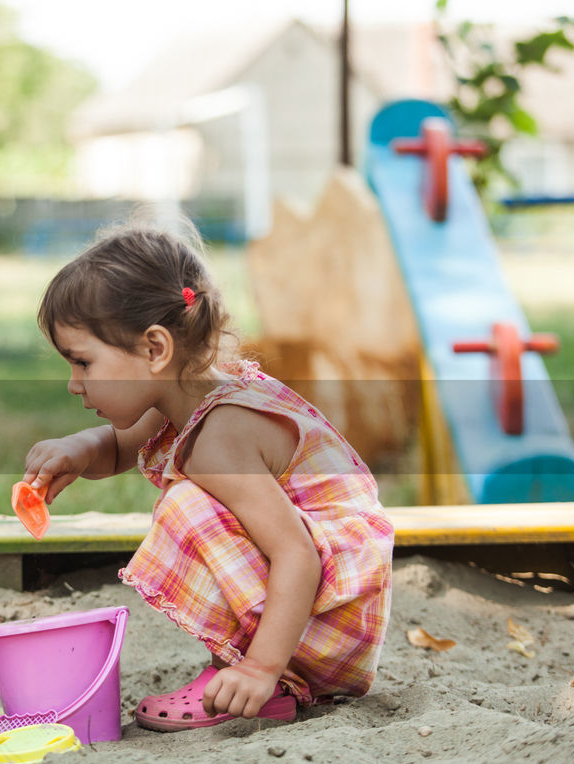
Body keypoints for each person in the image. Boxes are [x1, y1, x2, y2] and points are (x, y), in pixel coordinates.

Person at [22, 223, 393, 731]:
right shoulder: (186, 394)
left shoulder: (222, 436)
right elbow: (117, 449)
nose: (73, 384)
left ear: (155, 349)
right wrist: (76, 450)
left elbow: (296, 554)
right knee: (191, 501)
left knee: (187, 506)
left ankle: (264, 679)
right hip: (318, 606)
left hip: (331, 612)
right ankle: (257, 666)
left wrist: (260, 671)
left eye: (83, 363)